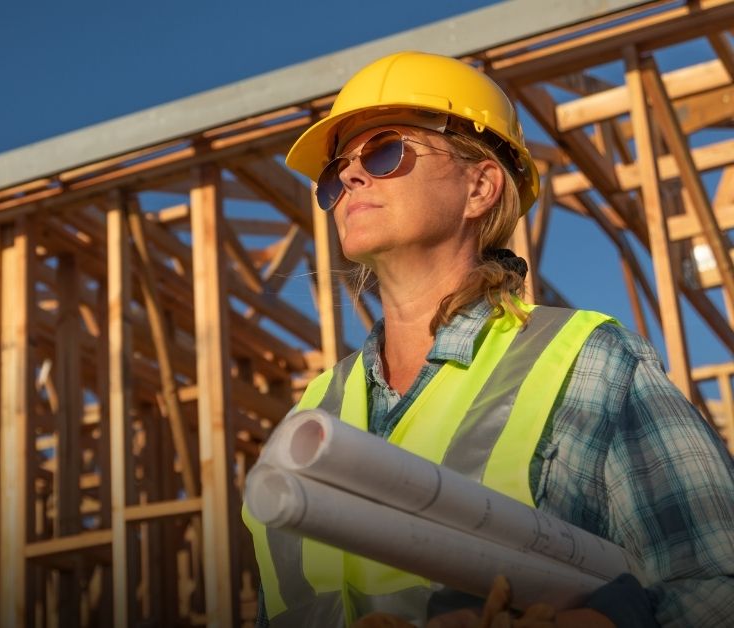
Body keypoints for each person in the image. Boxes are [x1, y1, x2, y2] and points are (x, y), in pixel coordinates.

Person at [242, 51, 734, 627]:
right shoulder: (309, 418)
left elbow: (715, 588)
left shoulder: (587, 363)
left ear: (479, 187)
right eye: (336, 171)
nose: (349, 176)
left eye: (384, 150)